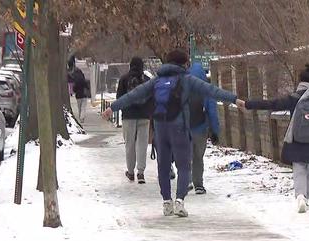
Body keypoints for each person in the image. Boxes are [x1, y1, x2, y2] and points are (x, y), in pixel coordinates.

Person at [102, 49, 242, 217]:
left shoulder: (156, 81)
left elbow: (133, 95)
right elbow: (211, 91)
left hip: (160, 127)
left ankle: (166, 202)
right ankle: (180, 201)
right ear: (184, 64)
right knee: (183, 166)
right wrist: (234, 99)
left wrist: (113, 107)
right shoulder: (187, 79)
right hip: (179, 127)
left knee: (163, 165)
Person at [243, 63, 309, 213]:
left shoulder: (294, 98)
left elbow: (272, 104)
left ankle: (300, 196)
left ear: (300, 81)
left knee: (299, 168)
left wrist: (249, 104)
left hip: (297, 140)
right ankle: (307, 197)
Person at [117, 57, 152, 184]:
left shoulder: (124, 79)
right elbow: (151, 98)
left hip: (128, 116)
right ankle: (141, 172)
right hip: (144, 116)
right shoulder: (147, 80)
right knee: (142, 145)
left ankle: (130, 172)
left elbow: (119, 98)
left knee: (129, 144)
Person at [187, 62, 220, 195]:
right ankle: (198, 184)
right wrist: (215, 131)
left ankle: (186, 180)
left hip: (183, 128)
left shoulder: (180, 86)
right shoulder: (206, 88)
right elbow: (212, 111)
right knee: (198, 157)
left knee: (185, 156)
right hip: (200, 128)